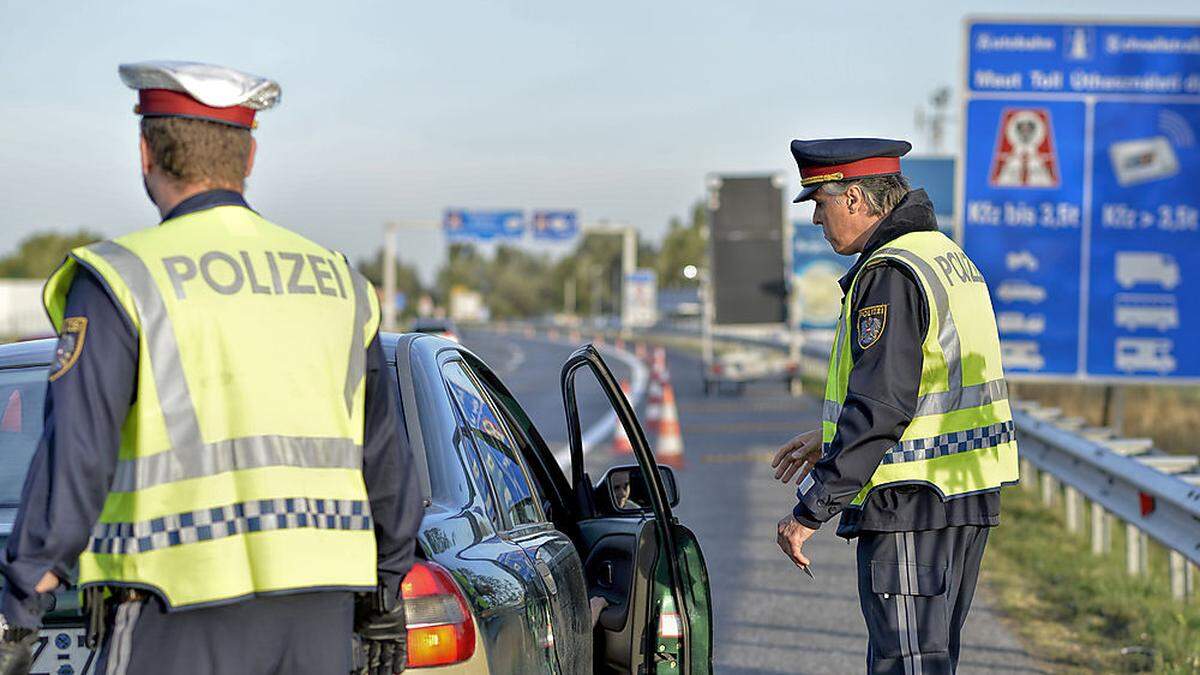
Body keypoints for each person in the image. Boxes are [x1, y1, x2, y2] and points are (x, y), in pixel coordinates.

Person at [0, 61, 423, 675]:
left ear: (146, 152)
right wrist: (386, 590)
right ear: (249, 158)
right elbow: (384, 457)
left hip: (174, 610)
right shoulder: (339, 283)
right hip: (320, 614)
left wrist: (21, 604)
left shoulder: (123, 278)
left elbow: (76, 458)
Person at [771, 138, 1019, 674]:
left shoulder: (890, 271)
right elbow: (928, 382)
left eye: (820, 202)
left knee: (907, 663)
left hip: (911, 501)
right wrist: (830, 437)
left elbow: (883, 405)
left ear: (856, 197)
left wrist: (811, 508)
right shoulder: (944, 254)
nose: (816, 219)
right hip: (961, 494)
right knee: (928, 659)